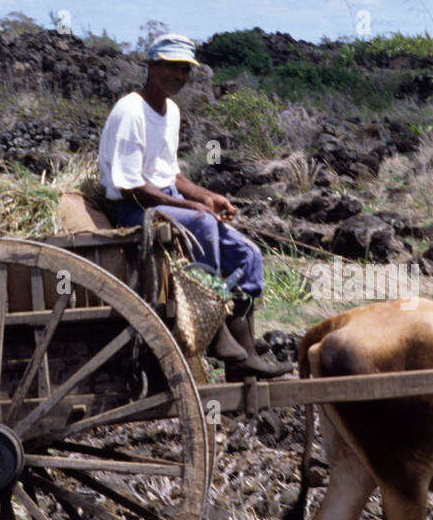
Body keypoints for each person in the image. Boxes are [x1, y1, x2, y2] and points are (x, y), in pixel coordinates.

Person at [98, 33, 292, 380]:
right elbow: (130, 186)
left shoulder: (170, 111)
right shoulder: (131, 110)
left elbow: (171, 173)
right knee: (202, 225)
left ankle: (242, 357)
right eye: (172, 67)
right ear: (152, 65)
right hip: (133, 208)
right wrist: (189, 206)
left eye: (186, 69)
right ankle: (213, 330)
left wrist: (205, 196)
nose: (180, 76)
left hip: (162, 197)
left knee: (248, 255)